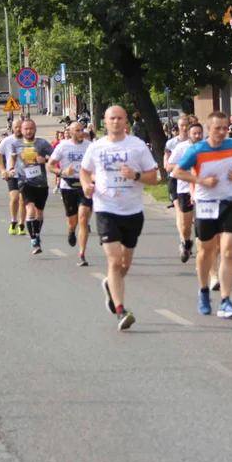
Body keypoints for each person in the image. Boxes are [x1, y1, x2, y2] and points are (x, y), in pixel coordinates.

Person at [80, 105, 159, 331]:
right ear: (104, 121)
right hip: (106, 208)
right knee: (114, 261)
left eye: (120, 118)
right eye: (111, 118)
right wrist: (86, 186)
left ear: (126, 122)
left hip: (133, 210)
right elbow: (85, 172)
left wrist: (134, 175)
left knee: (124, 264)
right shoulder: (96, 147)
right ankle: (120, 310)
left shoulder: (137, 146)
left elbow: (153, 177)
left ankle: (110, 285)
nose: (115, 122)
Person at [172, 112, 232, 318]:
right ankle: (203, 290)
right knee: (205, 250)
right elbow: (177, 172)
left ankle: (225, 300)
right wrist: (201, 181)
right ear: (208, 128)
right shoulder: (197, 150)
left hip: (229, 201)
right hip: (206, 204)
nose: (222, 132)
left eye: (225, 128)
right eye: (217, 129)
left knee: (228, 250)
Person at [50, 122, 94, 266]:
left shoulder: (90, 146)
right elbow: (50, 165)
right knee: (73, 221)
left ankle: (82, 254)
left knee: (83, 217)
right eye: (78, 130)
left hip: (84, 184)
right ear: (70, 132)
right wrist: (63, 172)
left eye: (82, 130)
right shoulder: (63, 146)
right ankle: (71, 231)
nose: (81, 132)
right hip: (68, 185)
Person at [7, 118, 54, 254]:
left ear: (35, 129)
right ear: (21, 130)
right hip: (24, 182)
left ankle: (37, 234)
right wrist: (10, 169)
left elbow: (55, 157)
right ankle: (33, 240)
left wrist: (44, 160)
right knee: (31, 210)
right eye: (25, 129)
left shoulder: (42, 143)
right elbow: (13, 158)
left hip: (41, 183)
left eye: (31, 128)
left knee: (39, 214)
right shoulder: (16, 144)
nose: (28, 131)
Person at [167, 122, 203, 263]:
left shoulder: (207, 147)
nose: (197, 136)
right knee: (185, 225)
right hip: (184, 189)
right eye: (194, 133)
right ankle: (187, 242)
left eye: (200, 133)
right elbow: (169, 166)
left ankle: (203, 253)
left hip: (202, 190)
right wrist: (184, 165)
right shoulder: (181, 148)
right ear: (189, 134)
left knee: (201, 222)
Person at [0, 120, 29, 237]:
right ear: (12, 128)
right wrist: (2, 170)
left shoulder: (28, 140)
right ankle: (13, 221)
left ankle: (21, 224)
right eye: (16, 127)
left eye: (20, 127)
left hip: (25, 174)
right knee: (15, 198)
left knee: (23, 200)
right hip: (12, 174)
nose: (18, 129)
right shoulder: (7, 141)